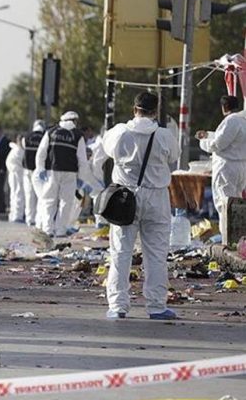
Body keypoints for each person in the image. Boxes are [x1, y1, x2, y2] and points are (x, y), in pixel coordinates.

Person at [101, 92, 180, 320]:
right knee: (156, 255)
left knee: (121, 253)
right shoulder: (164, 136)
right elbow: (173, 156)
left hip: (125, 199)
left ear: (133, 108)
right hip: (157, 198)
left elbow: (107, 150)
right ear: (155, 111)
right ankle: (156, 306)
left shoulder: (119, 133)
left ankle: (118, 306)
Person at [196, 95, 246, 238]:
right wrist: (209, 135)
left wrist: (203, 141)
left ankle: (228, 239)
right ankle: (238, 238)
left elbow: (217, 145)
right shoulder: (242, 121)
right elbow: (226, 138)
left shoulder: (231, 121)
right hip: (241, 167)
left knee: (224, 204)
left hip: (227, 168)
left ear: (224, 107)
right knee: (236, 204)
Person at [34, 111, 88, 237]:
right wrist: (81, 178)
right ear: (74, 120)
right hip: (70, 173)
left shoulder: (51, 132)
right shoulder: (77, 135)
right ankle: (60, 230)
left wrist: (40, 168)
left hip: (51, 171)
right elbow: (82, 160)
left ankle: (48, 229)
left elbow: (41, 152)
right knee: (66, 202)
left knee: (48, 201)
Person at [21, 120, 45, 227]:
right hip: (40, 170)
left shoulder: (26, 137)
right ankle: (39, 219)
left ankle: (29, 219)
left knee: (29, 194)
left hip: (27, 169)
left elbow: (23, 147)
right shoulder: (45, 137)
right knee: (40, 195)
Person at [5, 133, 25, 223]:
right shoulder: (19, 151)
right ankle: (17, 215)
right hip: (18, 175)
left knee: (14, 195)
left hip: (14, 175)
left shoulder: (14, 150)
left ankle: (13, 215)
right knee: (18, 194)